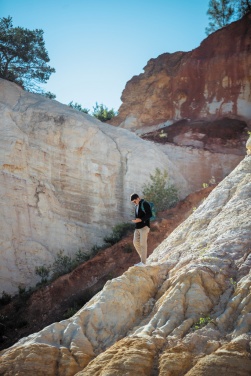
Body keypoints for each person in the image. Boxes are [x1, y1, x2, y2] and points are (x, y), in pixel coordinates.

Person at [130, 193, 152, 266]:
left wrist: (141, 220)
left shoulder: (145, 203)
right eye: (133, 202)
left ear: (138, 198)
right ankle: (143, 258)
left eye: (134, 201)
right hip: (137, 228)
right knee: (135, 243)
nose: (134, 203)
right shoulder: (136, 206)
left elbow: (149, 214)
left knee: (143, 244)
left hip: (144, 227)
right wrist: (136, 220)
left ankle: (143, 262)